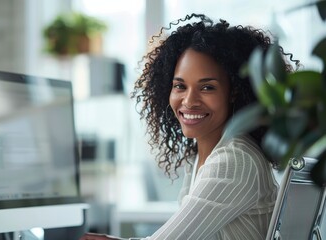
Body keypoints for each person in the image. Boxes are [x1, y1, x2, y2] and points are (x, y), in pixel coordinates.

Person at [79, 13, 299, 240]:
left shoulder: (234, 160)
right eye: (180, 86)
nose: (189, 101)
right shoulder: (204, 156)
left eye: (207, 88)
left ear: (234, 92)